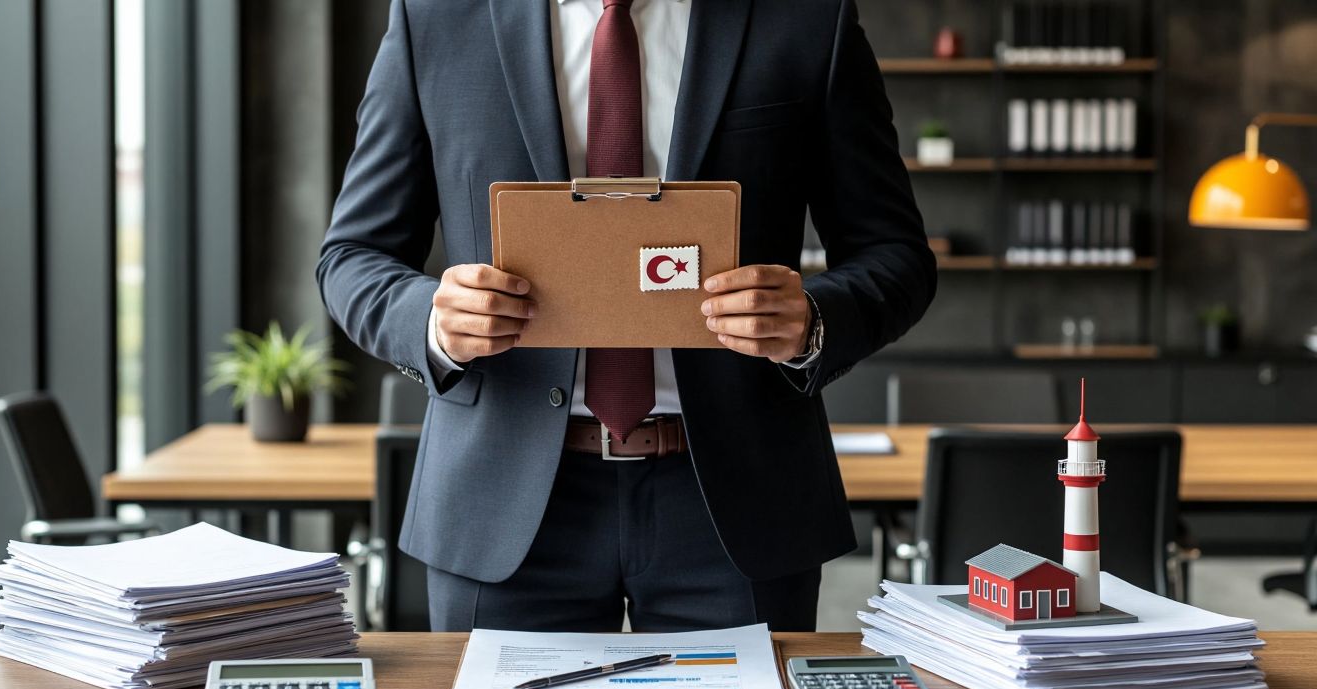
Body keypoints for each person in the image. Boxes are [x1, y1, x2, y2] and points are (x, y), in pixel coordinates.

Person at [318, 0, 935, 632]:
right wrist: (432, 321)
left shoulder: (805, 19)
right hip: (499, 500)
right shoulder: (437, 21)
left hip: (737, 498)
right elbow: (352, 256)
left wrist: (813, 320)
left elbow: (896, 255)